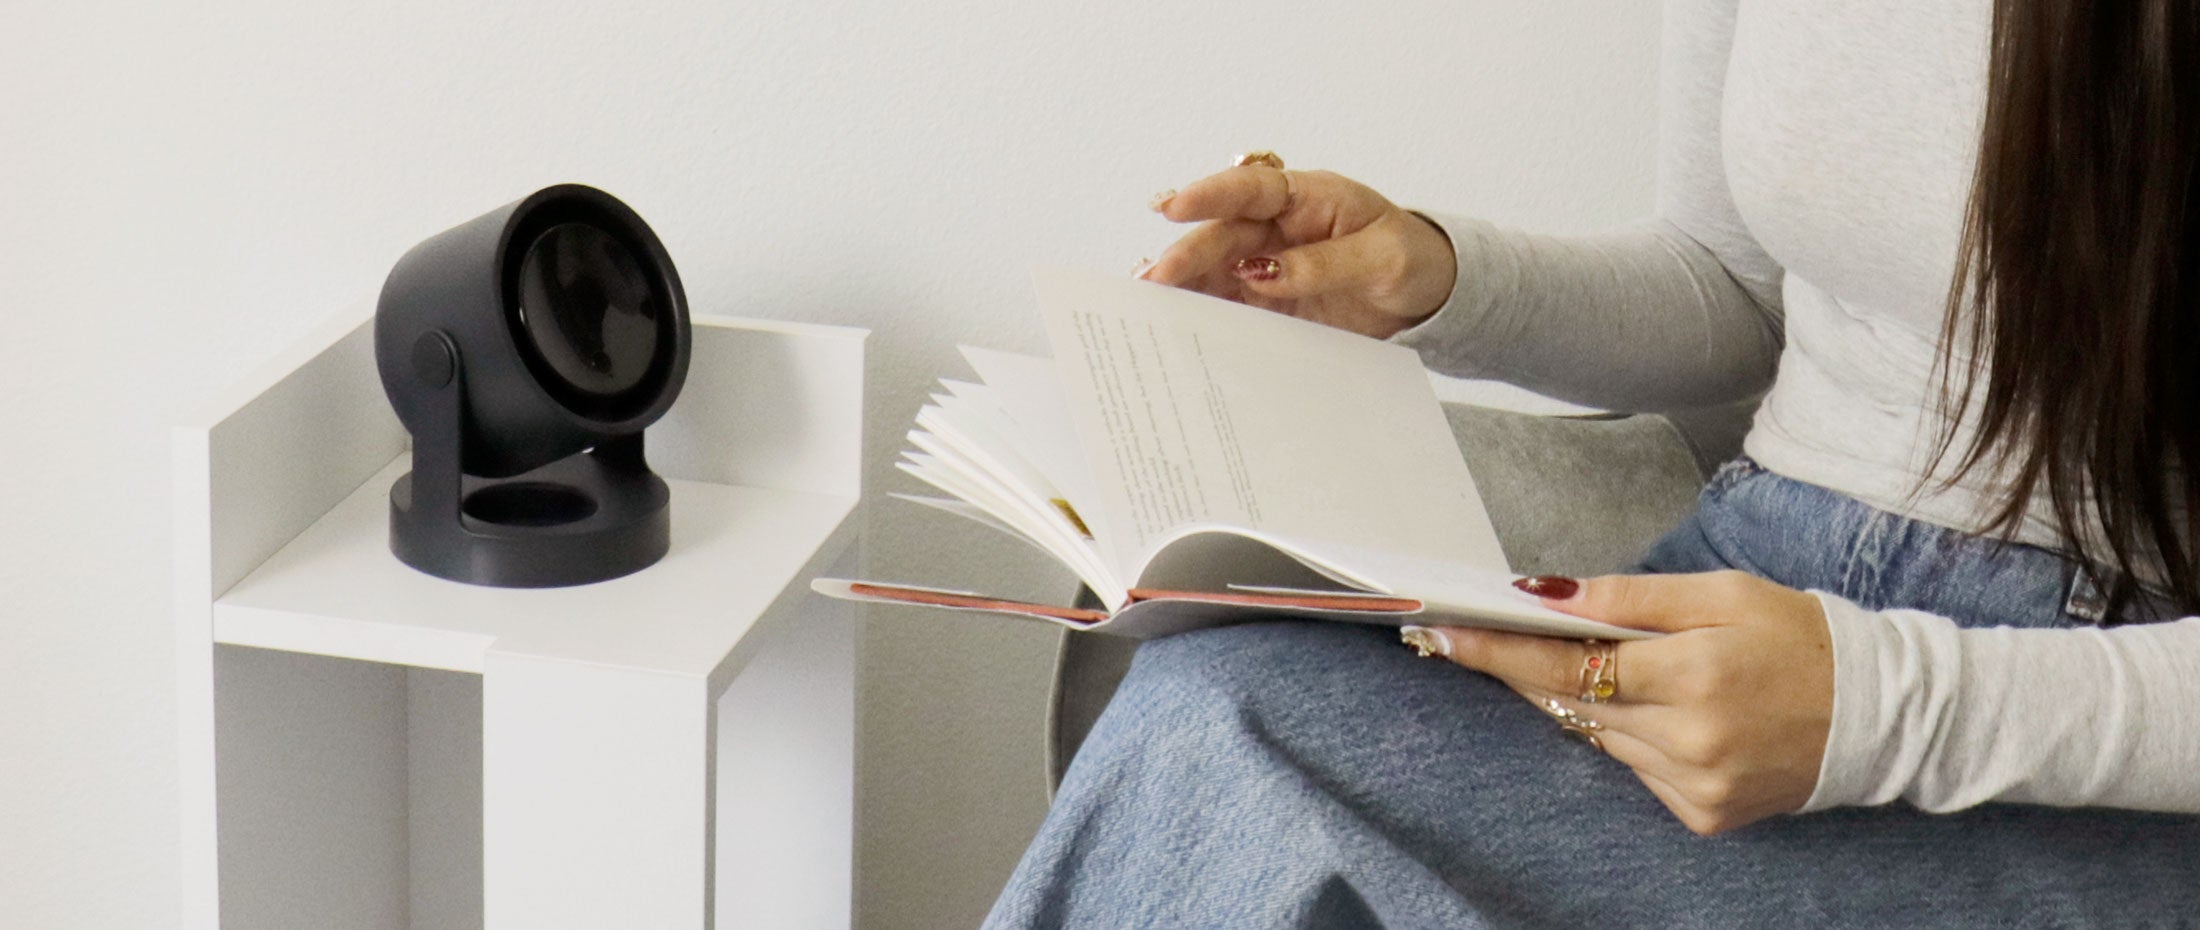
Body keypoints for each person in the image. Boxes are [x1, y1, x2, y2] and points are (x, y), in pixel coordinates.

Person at [982, 1, 2200, 927]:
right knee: (1222, 694)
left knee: (1230, 735)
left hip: (2078, 697)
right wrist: (1433, 279)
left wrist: (1886, 712)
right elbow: (1731, 287)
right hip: (1743, 575)